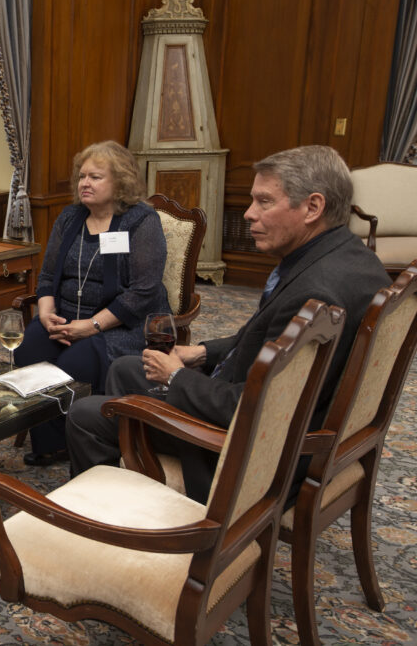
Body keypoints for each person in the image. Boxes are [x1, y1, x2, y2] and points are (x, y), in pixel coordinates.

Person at [66, 145, 391, 504]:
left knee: (85, 413)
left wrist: (177, 376)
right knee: (128, 368)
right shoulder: (355, 259)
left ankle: (111, 515)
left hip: (247, 452)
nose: (249, 214)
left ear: (313, 207)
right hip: (283, 416)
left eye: (264, 202)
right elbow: (266, 338)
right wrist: (202, 352)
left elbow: (251, 407)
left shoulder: (314, 293)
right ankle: (135, 484)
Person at [16, 141, 169, 466]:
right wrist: (45, 314)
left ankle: (84, 439)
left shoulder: (141, 221)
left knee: (73, 365)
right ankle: (51, 442)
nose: (85, 183)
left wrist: (92, 325)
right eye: (82, 176)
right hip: (65, 318)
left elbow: (143, 291)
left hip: (120, 325)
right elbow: (46, 276)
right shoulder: (70, 217)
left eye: (96, 177)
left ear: (121, 181)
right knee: (29, 351)